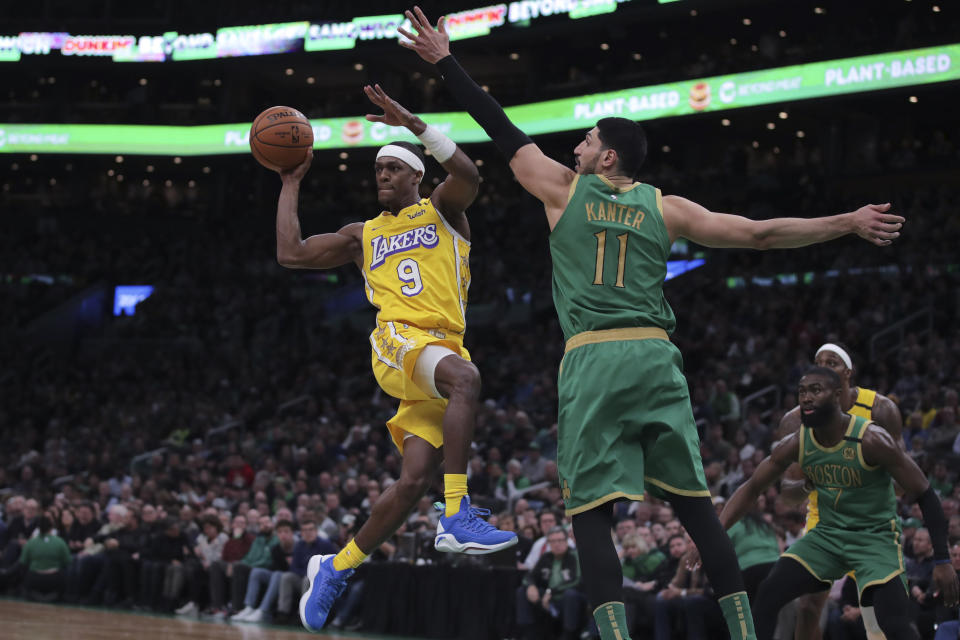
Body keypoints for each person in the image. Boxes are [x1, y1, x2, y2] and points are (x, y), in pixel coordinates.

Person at [397, 8, 906, 640]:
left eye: (583, 140)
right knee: (696, 510)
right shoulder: (667, 208)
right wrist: (846, 222)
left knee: (588, 513)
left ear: (606, 155)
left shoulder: (560, 188)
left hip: (592, 358)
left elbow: (496, 123)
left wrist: (445, 61)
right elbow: (759, 234)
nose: (572, 148)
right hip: (657, 359)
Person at [274, 84, 516, 631]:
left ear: (416, 176)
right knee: (467, 381)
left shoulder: (444, 212)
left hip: (440, 347)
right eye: (377, 169)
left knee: (412, 482)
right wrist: (291, 184)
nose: (381, 175)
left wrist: (413, 125)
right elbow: (290, 253)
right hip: (398, 340)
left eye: (391, 168)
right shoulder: (363, 235)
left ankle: (336, 566)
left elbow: (471, 175)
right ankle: (456, 513)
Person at [697, 367, 959, 639]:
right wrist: (713, 535)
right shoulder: (798, 441)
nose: (806, 398)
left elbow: (925, 493)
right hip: (827, 536)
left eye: (815, 390)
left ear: (837, 396)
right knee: (769, 592)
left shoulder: (871, 439)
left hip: (874, 538)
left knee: (893, 623)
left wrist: (942, 559)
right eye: (801, 391)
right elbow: (752, 488)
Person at [776, 342, 904, 640]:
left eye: (832, 362)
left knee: (876, 615)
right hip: (824, 519)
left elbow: (903, 481)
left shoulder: (880, 409)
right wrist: (813, 480)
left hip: (871, 518)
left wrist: (862, 475)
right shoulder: (795, 420)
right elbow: (789, 494)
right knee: (807, 606)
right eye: (818, 361)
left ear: (848, 373)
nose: (823, 366)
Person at [515, 526, 586, 640]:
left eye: (560, 540)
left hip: (566, 598)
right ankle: (527, 634)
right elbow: (529, 576)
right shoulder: (546, 557)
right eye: (553, 541)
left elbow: (576, 581)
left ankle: (568, 635)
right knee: (522, 591)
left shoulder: (574, 556)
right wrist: (531, 585)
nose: (557, 544)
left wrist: (551, 592)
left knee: (570, 595)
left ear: (566, 541)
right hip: (547, 599)